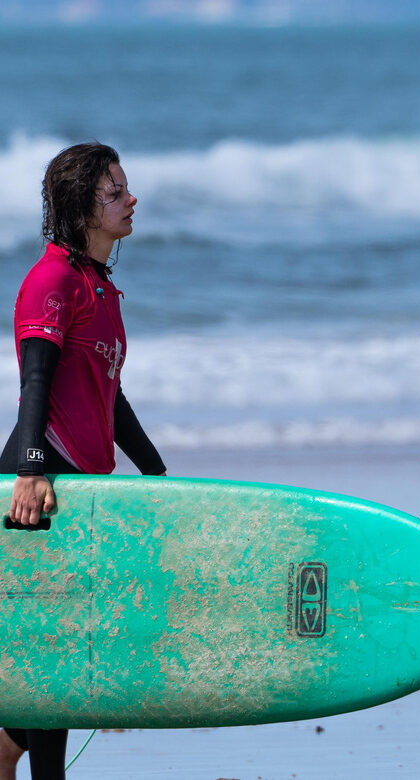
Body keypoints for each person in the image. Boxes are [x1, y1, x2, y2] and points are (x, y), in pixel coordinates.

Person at [0, 142, 166, 780]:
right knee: (53, 650)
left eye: (126, 186)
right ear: (82, 207)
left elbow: (109, 397)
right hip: (43, 482)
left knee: (65, 646)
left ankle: (8, 744)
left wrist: (155, 474)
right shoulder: (52, 281)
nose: (130, 199)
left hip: (77, 485)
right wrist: (30, 472)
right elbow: (33, 379)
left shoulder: (98, 289)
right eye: (115, 191)